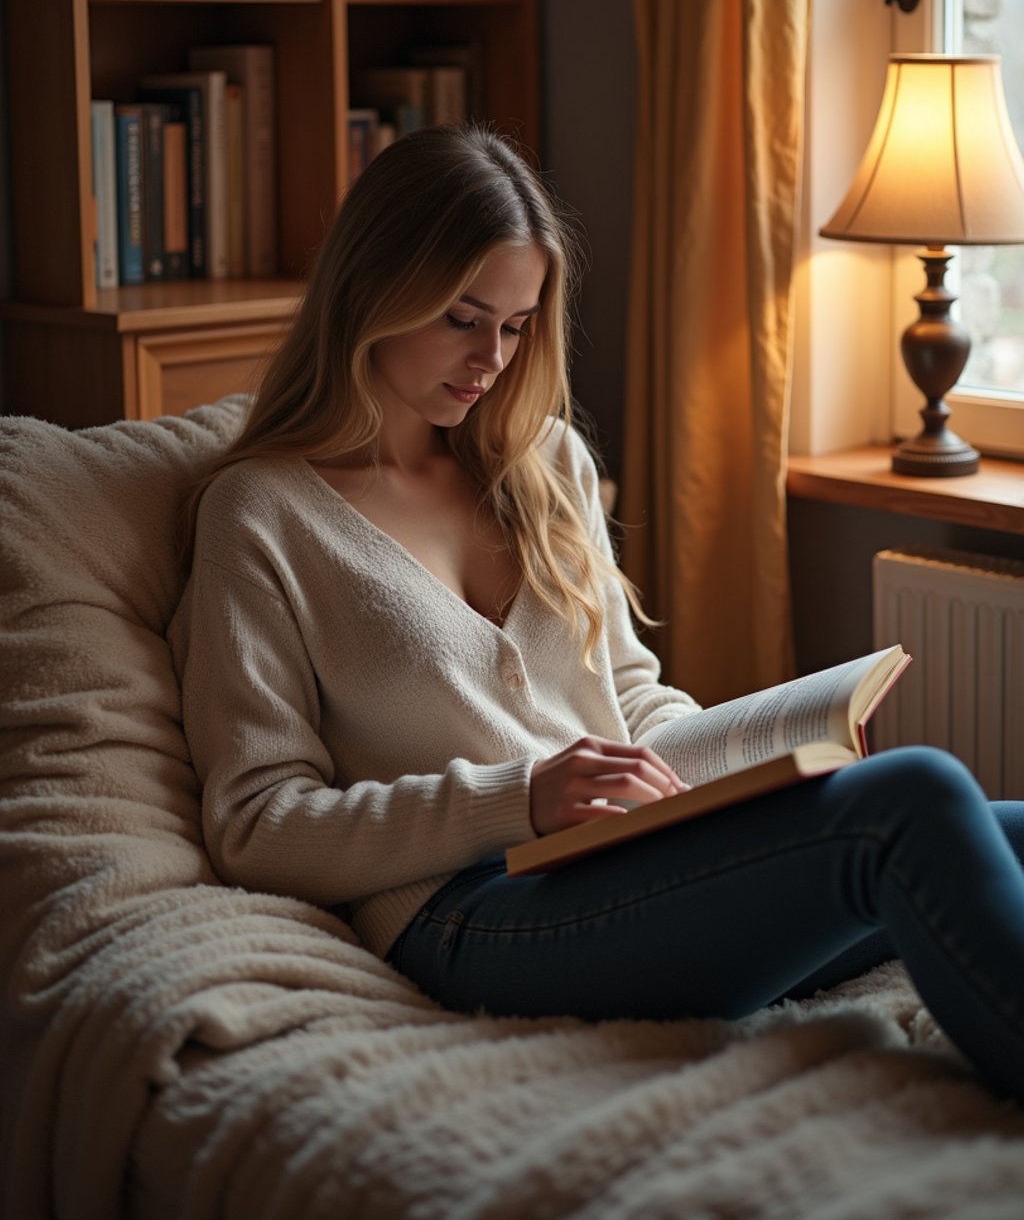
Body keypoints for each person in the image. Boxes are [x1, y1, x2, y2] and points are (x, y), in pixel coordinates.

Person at [170, 123, 1024, 1105]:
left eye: (518, 324)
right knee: (911, 798)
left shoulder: (544, 466)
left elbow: (626, 693)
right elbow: (257, 825)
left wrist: (751, 768)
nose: (491, 356)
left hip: (627, 864)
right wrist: (518, 796)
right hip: (477, 914)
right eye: (461, 317)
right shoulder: (263, 514)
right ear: (374, 288)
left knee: (985, 820)